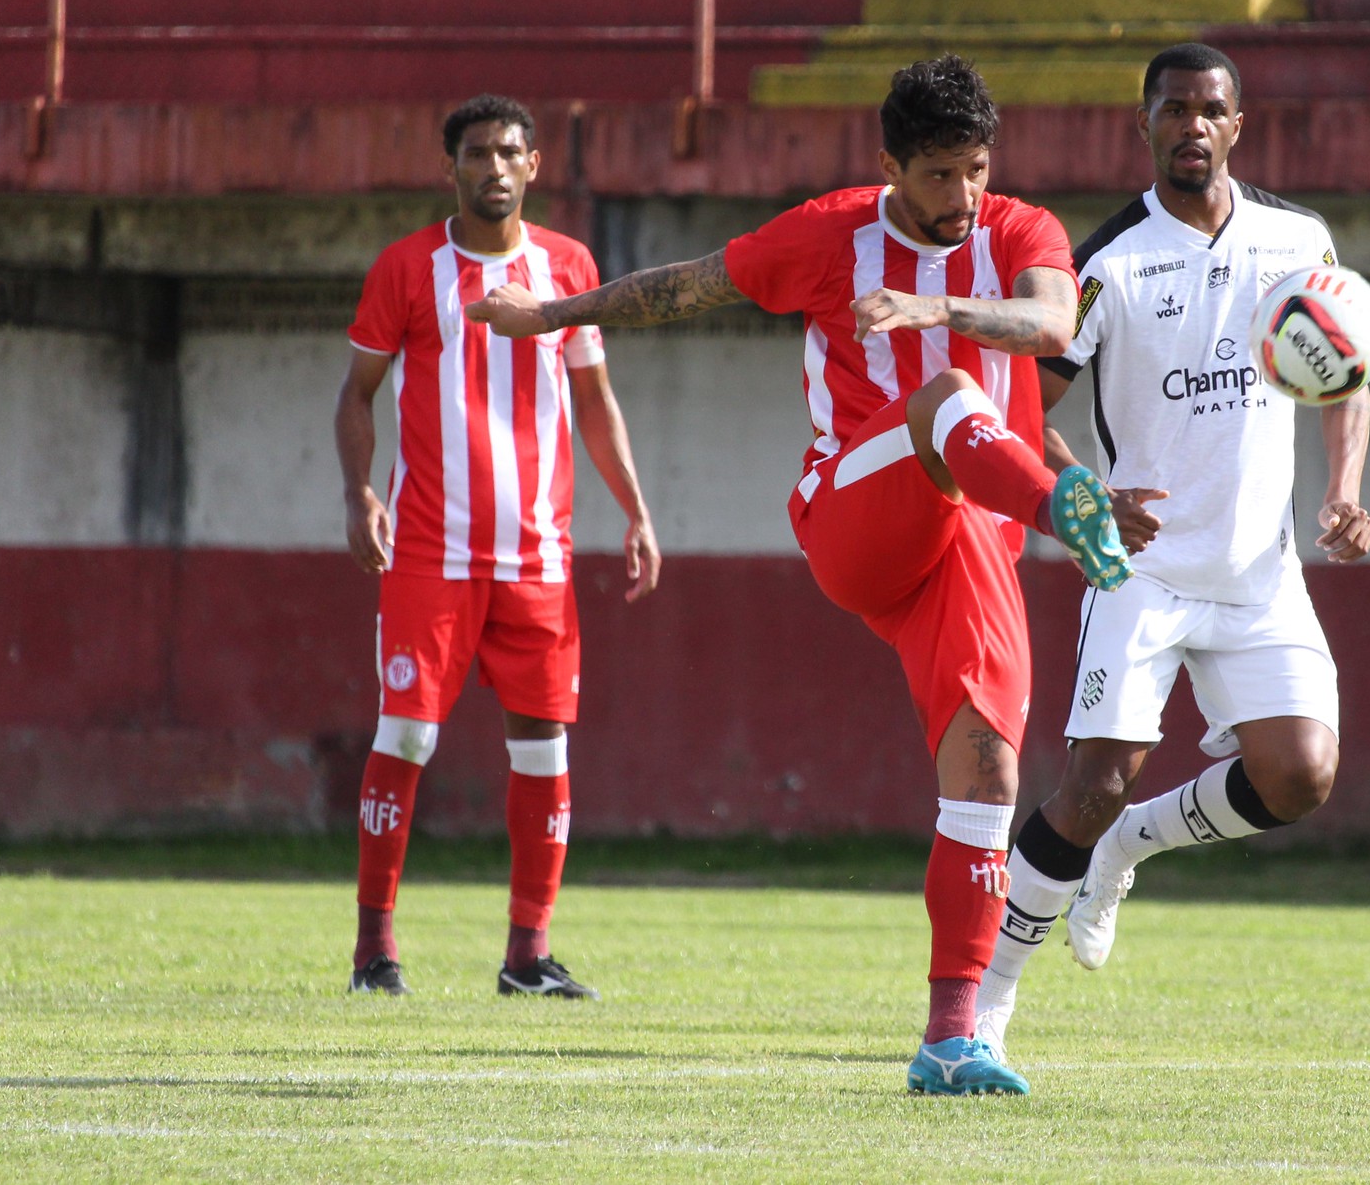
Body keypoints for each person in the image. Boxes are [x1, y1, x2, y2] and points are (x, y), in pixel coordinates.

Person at [466, 55, 1131, 1095]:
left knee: (986, 782)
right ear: (887, 167)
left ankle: (950, 1041)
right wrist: (544, 317)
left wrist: (931, 313)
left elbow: (1052, 325)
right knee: (947, 398)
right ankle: (1059, 512)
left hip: (970, 542)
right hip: (855, 518)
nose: (961, 198)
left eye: (974, 170)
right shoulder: (828, 235)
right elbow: (681, 288)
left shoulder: (1018, 229)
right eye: (937, 176)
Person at [970, 43, 1370, 1055]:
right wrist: (1089, 493)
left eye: (1210, 109)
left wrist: (1343, 490)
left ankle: (1130, 845)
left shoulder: (1296, 240)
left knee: (1300, 775)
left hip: (1256, 573)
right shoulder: (1104, 264)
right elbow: (1022, 403)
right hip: (1140, 568)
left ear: (1237, 124)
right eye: (1174, 109)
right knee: (1090, 783)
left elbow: (1345, 365)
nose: (1191, 125)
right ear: (1141, 124)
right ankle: (988, 1000)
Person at [335, 93, 660, 1000]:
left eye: (509, 152)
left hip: (538, 561)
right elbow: (355, 394)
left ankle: (527, 955)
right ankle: (374, 952)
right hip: (429, 556)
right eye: (477, 152)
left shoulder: (569, 266)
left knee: (545, 751)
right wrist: (361, 492)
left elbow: (593, 401)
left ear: (533, 164)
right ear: (453, 166)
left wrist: (635, 509)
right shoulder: (407, 270)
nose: (494, 167)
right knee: (404, 733)